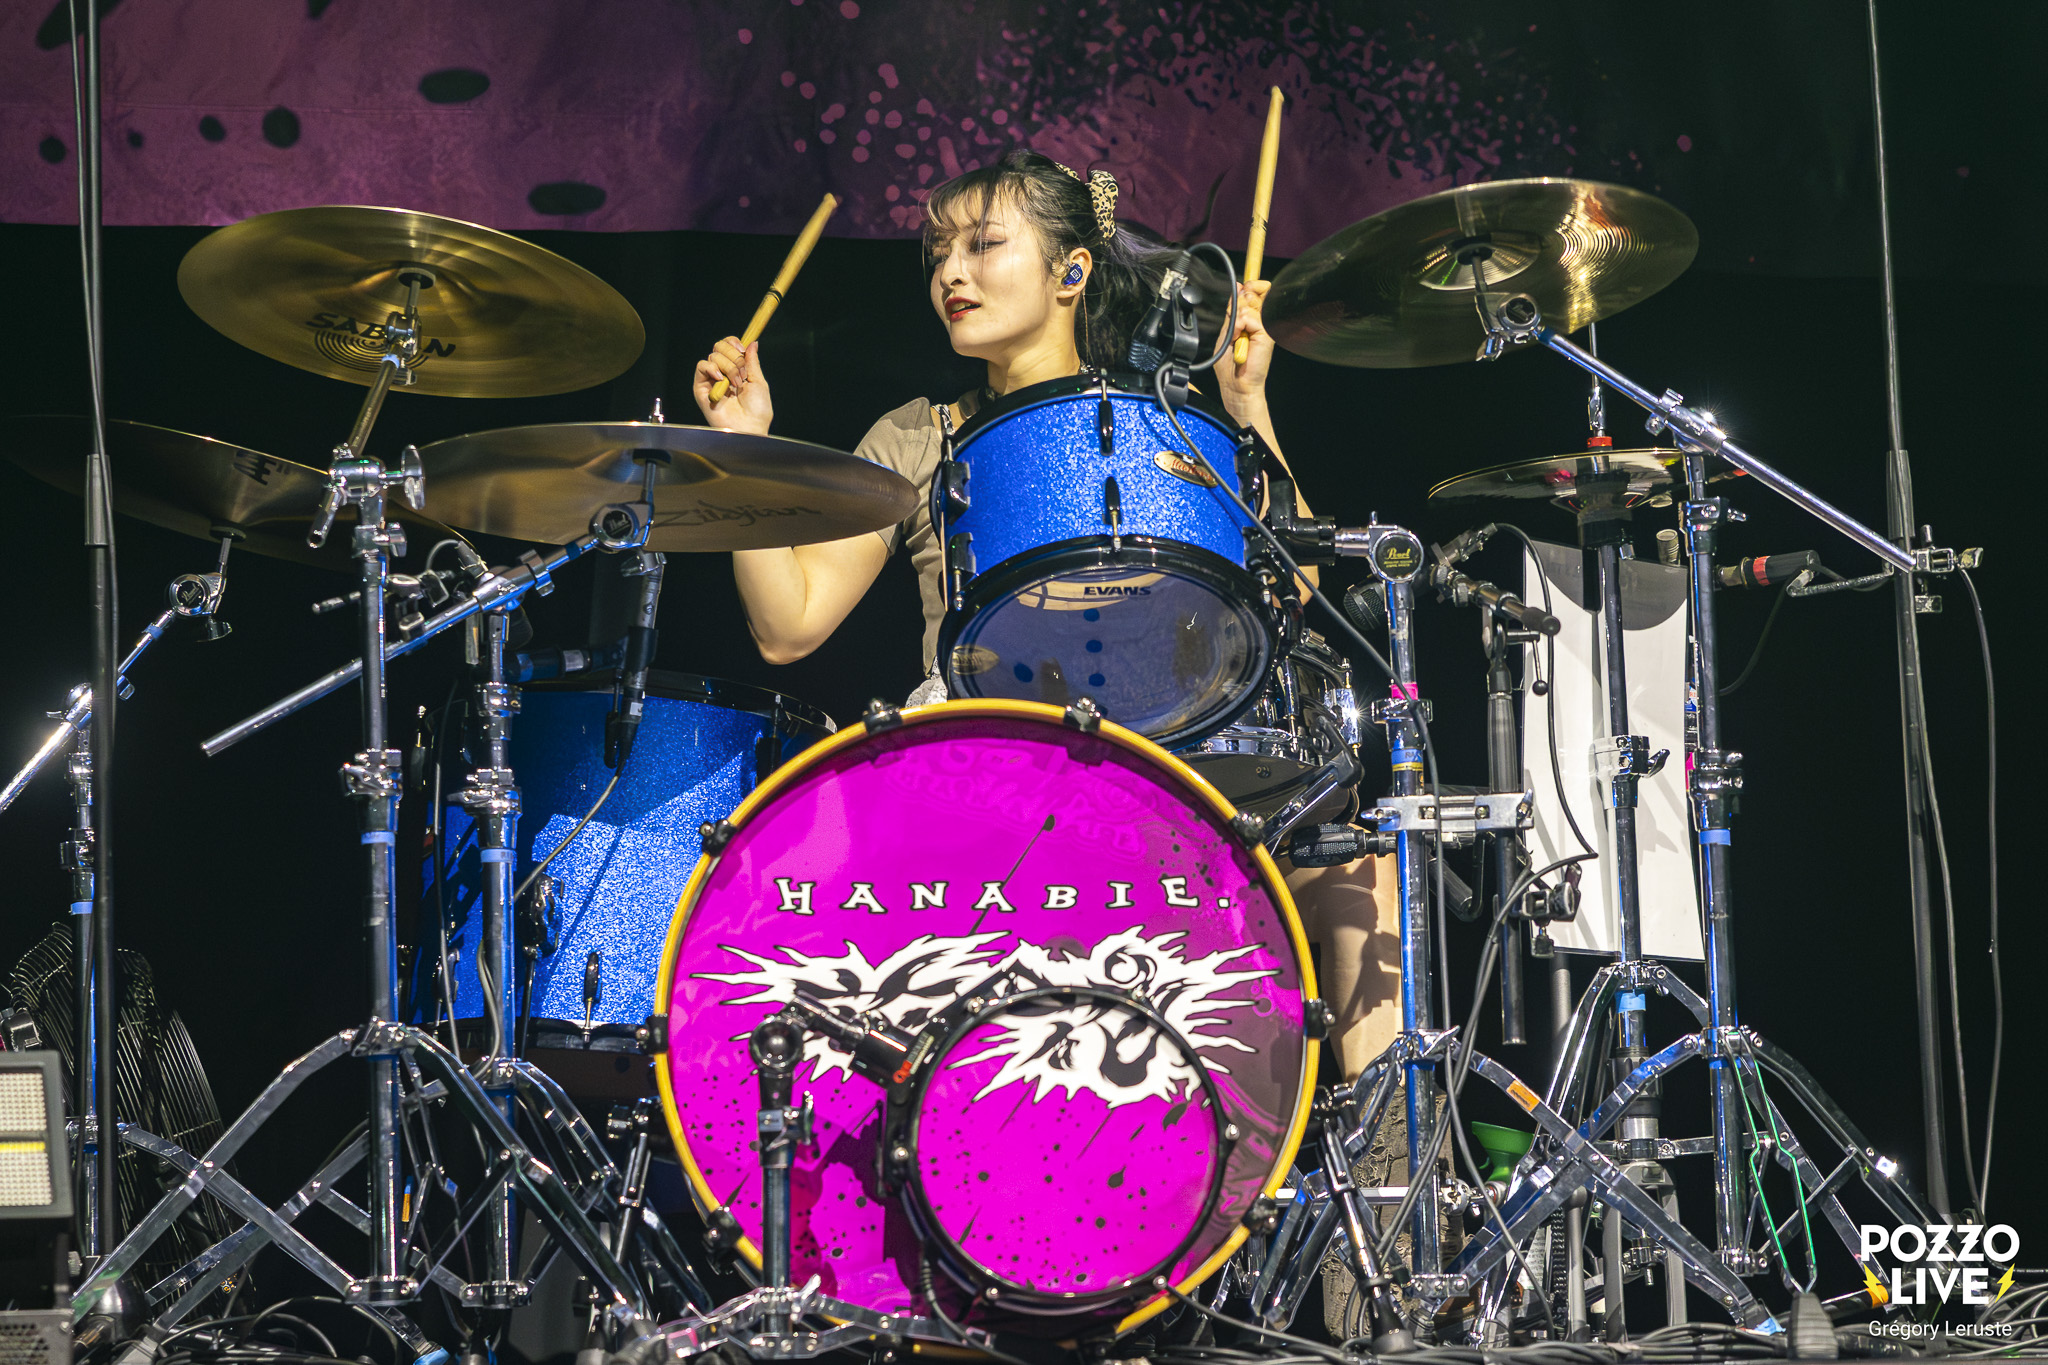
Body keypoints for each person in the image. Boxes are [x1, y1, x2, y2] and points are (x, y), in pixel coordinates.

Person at [691, 149, 1397, 1077]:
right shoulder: (920, 435)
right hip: (986, 774)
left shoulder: (1163, 418)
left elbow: (1292, 588)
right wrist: (743, 453)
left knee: (1355, 865)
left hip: (1159, 765)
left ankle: (1390, 1158)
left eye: (983, 245)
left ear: (1072, 272)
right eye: (938, 254)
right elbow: (791, 626)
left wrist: (1244, 401)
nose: (950, 274)